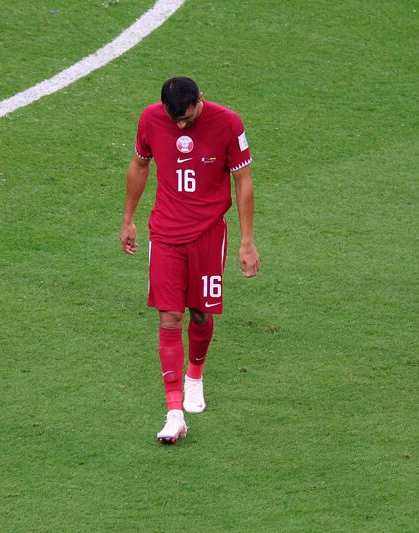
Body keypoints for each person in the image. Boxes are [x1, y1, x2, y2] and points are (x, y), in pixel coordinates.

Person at [119, 77, 260, 444]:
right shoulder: (150, 119)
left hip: (209, 235)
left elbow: (243, 180)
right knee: (170, 315)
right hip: (165, 234)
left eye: (186, 118)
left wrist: (247, 242)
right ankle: (174, 412)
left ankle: (194, 375)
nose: (180, 126)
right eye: (174, 120)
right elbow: (139, 165)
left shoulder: (228, 122)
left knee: (200, 312)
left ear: (199, 100)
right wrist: (128, 219)